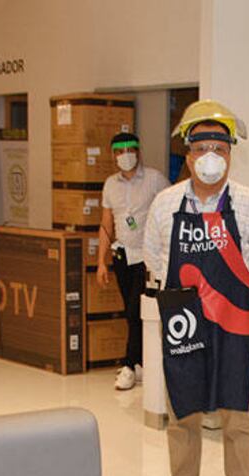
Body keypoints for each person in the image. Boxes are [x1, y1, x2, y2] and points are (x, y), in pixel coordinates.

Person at [145, 100, 249, 476]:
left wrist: (242, 291)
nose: (210, 157)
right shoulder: (165, 204)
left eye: (219, 149)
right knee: (182, 409)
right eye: (201, 148)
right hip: (184, 318)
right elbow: (154, 258)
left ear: (230, 155)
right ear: (187, 156)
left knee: (236, 412)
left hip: (232, 319)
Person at [99, 131, 169, 390]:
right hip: (122, 255)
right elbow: (106, 224)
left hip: (146, 257)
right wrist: (101, 261)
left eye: (129, 150)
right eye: (119, 151)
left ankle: (129, 365)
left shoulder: (155, 179)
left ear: (138, 152)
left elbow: (170, 210)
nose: (125, 155)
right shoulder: (110, 184)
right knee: (130, 313)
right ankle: (139, 361)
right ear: (113, 155)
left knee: (135, 311)